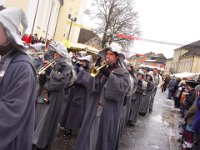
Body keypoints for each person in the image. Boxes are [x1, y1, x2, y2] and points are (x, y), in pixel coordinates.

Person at [74, 43, 130, 150]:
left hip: (108, 110)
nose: (107, 56)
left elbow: (122, 89)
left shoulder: (123, 72)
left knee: (102, 136)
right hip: (94, 107)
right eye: (107, 54)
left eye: (111, 54)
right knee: (88, 133)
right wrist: (96, 74)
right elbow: (90, 86)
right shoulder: (102, 68)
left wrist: (109, 75)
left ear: (117, 57)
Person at [0, 7, 37, 150]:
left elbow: (11, 112)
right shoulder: (5, 59)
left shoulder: (23, 67)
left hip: (11, 142)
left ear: (8, 32)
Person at [33, 42, 75, 149]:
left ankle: (39, 141)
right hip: (43, 93)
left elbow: (61, 83)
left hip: (54, 96)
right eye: (54, 53)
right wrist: (43, 73)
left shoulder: (67, 67)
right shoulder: (51, 62)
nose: (55, 55)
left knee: (46, 118)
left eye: (57, 54)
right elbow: (40, 77)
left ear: (62, 54)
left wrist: (51, 72)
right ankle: (32, 136)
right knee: (38, 115)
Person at [59, 55, 93, 136]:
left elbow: (87, 83)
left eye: (84, 61)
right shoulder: (81, 69)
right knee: (70, 109)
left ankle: (71, 128)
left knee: (76, 111)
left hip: (81, 94)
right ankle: (67, 126)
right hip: (75, 91)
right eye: (82, 61)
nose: (82, 63)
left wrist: (78, 77)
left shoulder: (90, 72)